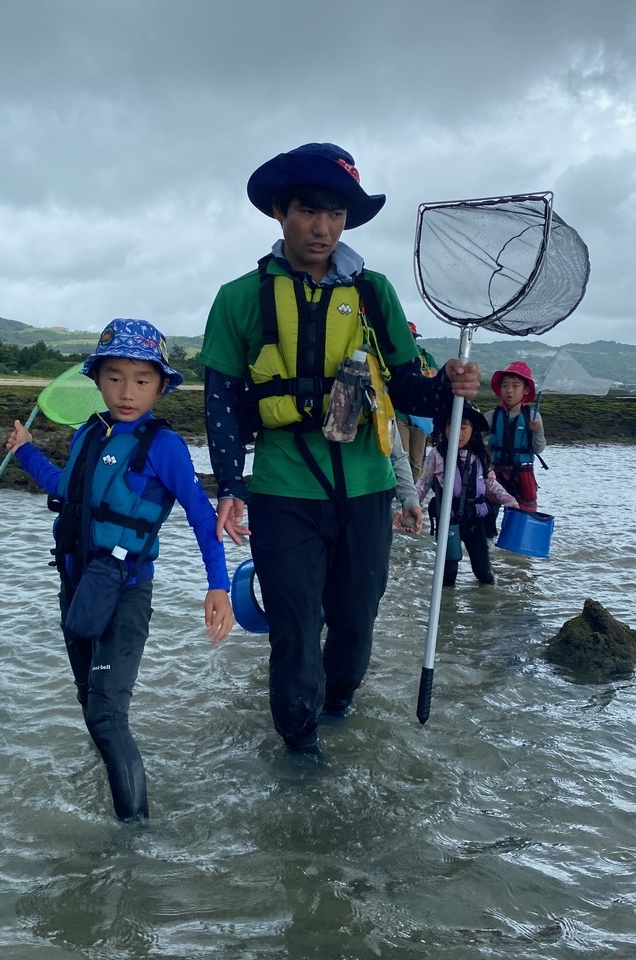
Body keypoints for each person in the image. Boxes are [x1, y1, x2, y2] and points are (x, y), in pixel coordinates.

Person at [200, 141, 480, 753]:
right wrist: (229, 486)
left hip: (367, 490)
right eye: (308, 210)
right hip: (281, 490)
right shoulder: (238, 298)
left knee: (354, 630)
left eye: (336, 212)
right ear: (281, 211)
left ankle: (337, 706)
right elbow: (220, 400)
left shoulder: (375, 292)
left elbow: (409, 389)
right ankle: (298, 751)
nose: (322, 227)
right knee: (296, 632)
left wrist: (449, 389)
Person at [5, 318, 234, 821]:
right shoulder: (90, 431)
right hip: (77, 584)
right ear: (98, 379)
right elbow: (66, 488)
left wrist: (218, 585)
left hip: (125, 592)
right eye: (114, 377)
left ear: (160, 385)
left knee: (107, 716)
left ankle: (135, 840)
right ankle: (105, 789)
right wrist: (24, 451)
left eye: (141, 380)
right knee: (90, 702)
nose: (127, 392)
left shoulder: (164, 446)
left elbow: (201, 515)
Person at [416, 403, 519, 586]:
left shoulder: (480, 455)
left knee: (484, 573)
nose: (457, 432)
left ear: (473, 430)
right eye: (451, 426)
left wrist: (510, 501)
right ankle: (448, 611)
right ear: (444, 428)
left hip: (475, 521)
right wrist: (411, 507)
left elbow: (490, 483)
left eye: (463, 428)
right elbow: (423, 484)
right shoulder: (437, 455)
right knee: (448, 575)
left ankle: (485, 608)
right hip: (449, 521)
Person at [487, 360, 546, 511]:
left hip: (523, 474)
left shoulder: (533, 417)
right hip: (496, 472)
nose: (509, 391)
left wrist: (537, 431)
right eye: (505, 385)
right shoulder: (492, 416)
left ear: (526, 390)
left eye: (515, 386)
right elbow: (474, 438)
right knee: (485, 513)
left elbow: (538, 449)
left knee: (522, 516)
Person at [395, 322, 439, 482]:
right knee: (402, 458)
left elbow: (436, 377)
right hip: (400, 416)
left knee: (416, 460)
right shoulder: (394, 357)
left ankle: (413, 497)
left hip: (421, 416)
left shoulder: (426, 357)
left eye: (412, 337)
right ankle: (402, 493)